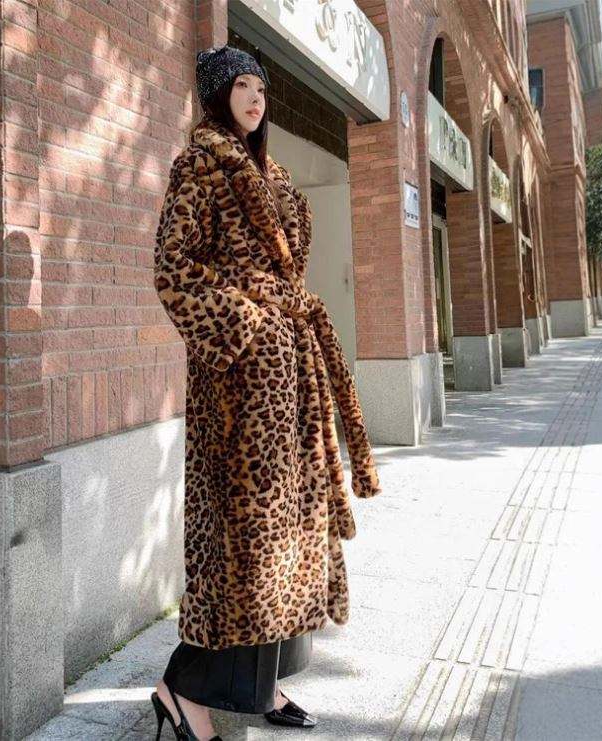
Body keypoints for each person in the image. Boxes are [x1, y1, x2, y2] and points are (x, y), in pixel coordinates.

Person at [150, 45, 382, 741]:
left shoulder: (272, 174)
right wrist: (246, 327)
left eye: (261, 87)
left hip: (293, 381)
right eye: (241, 85)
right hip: (240, 387)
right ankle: (182, 690)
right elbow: (172, 268)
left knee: (286, 537)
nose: (255, 97)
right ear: (217, 96)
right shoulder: (199, 165)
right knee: (243, 546)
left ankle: (262, 681)